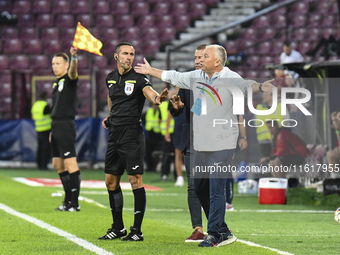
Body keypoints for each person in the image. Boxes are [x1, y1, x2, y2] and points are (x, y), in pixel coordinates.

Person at [135, 44, 275, 247]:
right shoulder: (197, 77)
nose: (200, 60)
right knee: (199, 187)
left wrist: (262, 87)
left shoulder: (230, 77)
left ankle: (214, 234)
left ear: (217, 62)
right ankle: (223, 229)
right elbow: (174, 76)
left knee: (216, 189)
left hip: (222, 143)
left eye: (205, 56)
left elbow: (247, 85)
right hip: (201, 143)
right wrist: (150, 71)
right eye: (199, 57)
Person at [98, 42, 168, 241]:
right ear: (116, 56)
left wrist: (158, 98)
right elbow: (112, 100)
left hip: (132, 135)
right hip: (114, 134)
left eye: (132, 54)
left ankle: (137, 231)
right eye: (126, 54)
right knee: (110, 181)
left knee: (134, 180)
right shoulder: (110, 78)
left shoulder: (139, 78)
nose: (129, 57)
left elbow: (150, 93)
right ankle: (118, 228)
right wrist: (111, 117)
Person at [169, 44, 206, 242]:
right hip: (192, 139)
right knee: (193, 186)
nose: (198, 60)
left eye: (202, 57)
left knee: (212, 185)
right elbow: (177, 111)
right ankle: (198, 228)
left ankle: (219, 227)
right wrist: (176, 108)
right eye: (195, 57)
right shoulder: (186, 82)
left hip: (212, 141)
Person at [51, 46, 81, 212]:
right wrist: (51, 130)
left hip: (65, 125)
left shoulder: (69, 79)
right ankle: (67, 200)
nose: (54, 66)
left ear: (66, 65)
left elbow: (73, 73)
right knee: (58, 165)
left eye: (58, 63)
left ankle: (74, 203)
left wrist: (74, 58)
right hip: (55, 126)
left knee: (71, 164)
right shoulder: (56, 83)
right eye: (53, 63)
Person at [255, 92, 288, 159]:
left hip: (278, 140)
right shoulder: (259, 107)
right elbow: (256, 123)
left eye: (265, 95)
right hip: (264, 141)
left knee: (277, 162)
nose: (263, 97)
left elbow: (287, 123)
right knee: (266, 163)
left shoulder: (281, 106)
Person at [31, 91, 52, 170]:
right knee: (46, 148)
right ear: (45, 97)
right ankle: (44, 165)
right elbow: (51, 114)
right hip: (46, 128)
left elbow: (33, 116)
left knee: (40, 147)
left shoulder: (35, 105)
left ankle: (39, 164)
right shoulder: (45, 105)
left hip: (38, 128)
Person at [144, 103, 163, 172]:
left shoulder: (160, 112)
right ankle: (149, 167)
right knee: (148, 151)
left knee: (157, 152)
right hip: (149, 134)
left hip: (158, 134)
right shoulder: (148, 111)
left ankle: (155, 166)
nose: (155, 107)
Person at [327, 111, 340, 178]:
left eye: (336, 120)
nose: (335, 122)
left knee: (331, 155)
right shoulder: (337, 129)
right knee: (330, 154)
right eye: (333, 120)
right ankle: (334, 176)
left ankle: (335, 177)